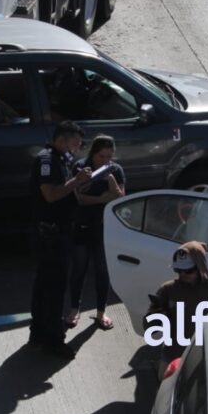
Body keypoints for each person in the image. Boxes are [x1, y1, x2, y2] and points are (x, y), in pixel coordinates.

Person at [29, 121, 92, 359]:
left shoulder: (62, 160)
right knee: (52, 288)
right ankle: (52, 339)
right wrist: (75, 182)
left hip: (59, 232)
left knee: (47, 285)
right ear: (63, 139)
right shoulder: (47, 160)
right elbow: (50, 194)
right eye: (76, 142)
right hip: (50, 234)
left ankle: (40, 334)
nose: (78, 147)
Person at [146, 242, 208, 375]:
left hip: (207, 361)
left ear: (201, 267)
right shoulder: (167, 290)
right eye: (178, 270)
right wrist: (155, 318)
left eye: (188, 270)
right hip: (173, 357)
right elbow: (148, 326)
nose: (182, 274)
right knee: (164, 392)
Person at [66, 135, 125, 330]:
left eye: (109, 156)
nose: (105, 160)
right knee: (79, 269)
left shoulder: (115, 170)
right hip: (82, 224)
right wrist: (102, 198)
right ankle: (75, 309)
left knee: (102, 271)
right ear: (93, 153)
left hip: (104, 227)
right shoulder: (81, 167)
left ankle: (101, 311)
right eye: (101, 156)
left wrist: (110, 180)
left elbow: (119, 198)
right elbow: (80, 198)